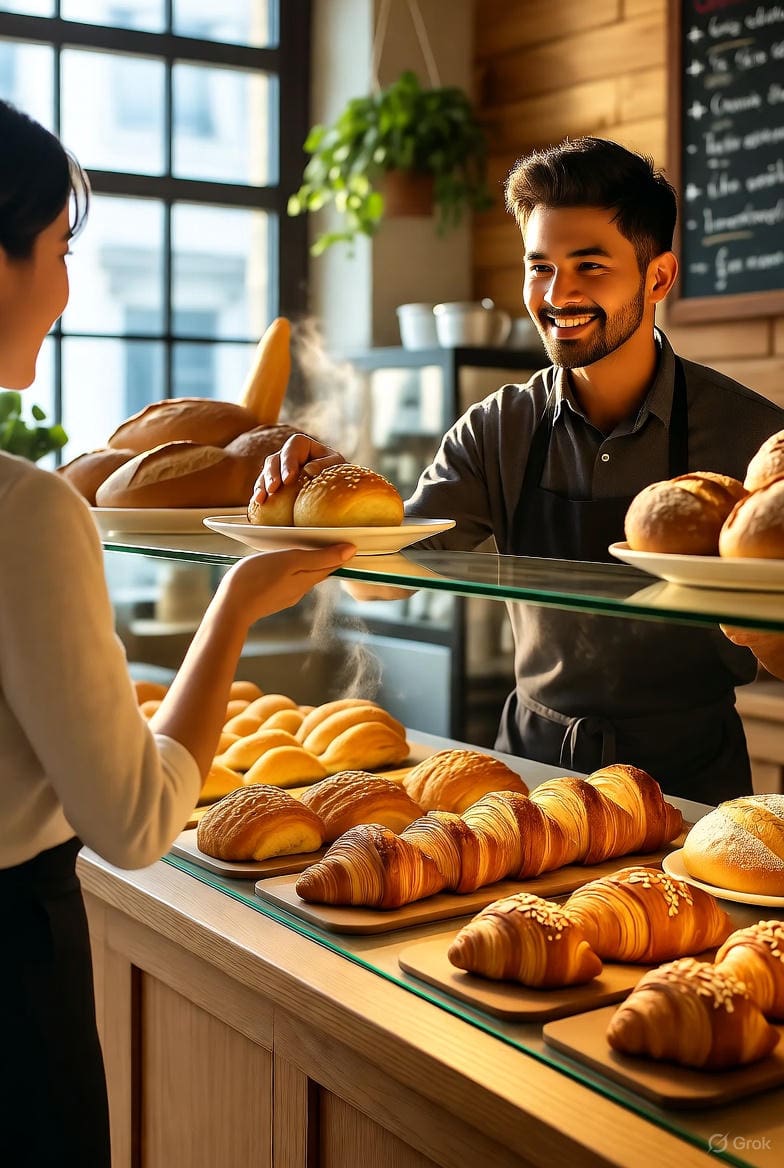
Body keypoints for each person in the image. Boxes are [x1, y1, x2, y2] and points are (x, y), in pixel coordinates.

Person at [0, 99, 354, 1168]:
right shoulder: (24, 510)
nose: (66, 289)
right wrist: (235, 606)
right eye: (61, 252)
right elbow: (137, 820)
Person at [255, 136, 784, 806]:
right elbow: (380, 582)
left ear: (658, 277)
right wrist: (324, 491)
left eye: (589, 266)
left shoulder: (752, 435)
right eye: (540, 267)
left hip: (690, 782)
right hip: (534, 774)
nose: (558, 294)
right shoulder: (497, 428)